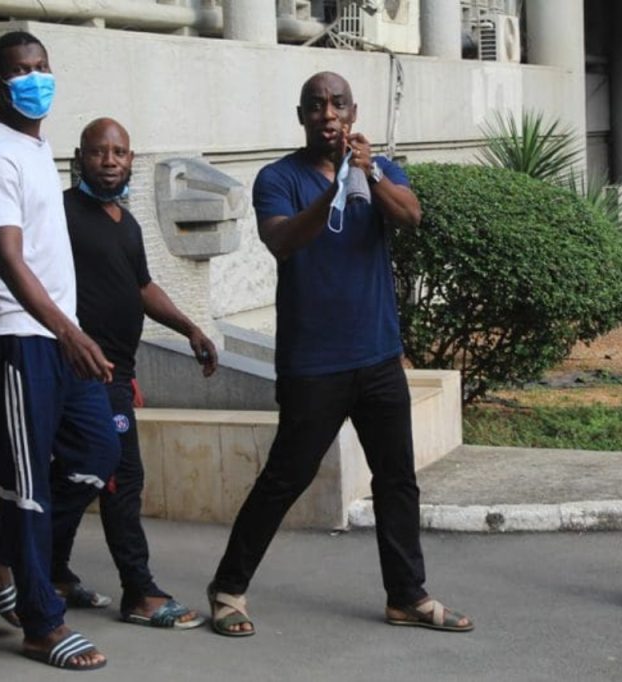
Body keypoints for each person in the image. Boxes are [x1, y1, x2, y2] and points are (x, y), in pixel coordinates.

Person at [206, 72, 472, 637]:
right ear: (301, 115)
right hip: (313, 364)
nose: (328, 114)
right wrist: (334, 188)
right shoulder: (278, 178)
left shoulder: (378, 169)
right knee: (286, 477)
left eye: (338, 104)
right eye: (316, 106)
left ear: (353, 111)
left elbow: (412, 215)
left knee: (397, 480)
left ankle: (406, 595)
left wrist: (369, 172)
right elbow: (280, 241)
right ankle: (228, 587)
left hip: (377, 357)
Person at [0, 117, 218, 629]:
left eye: (119, 152)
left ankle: (40, 565)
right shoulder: (61, 212)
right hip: (73, 362)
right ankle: (140, 592)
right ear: (79, 158)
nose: (109, 161)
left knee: (85, 467)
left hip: (114, 370)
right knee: (119, 476)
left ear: (131, 159)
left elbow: (142, 287)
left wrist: (190, 327)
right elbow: (10, 254)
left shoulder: (126, 223)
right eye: (98, 152)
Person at [0, 31, 118, 670]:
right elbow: (7, 258)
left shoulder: (34, 147)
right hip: (17, 338)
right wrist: (70, 331)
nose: (34, 78)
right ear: (0, 81)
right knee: (25, 485)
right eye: (20, 70)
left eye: (41, 66)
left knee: (93, 451)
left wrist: (68, 330)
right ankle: (40, 624)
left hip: (54, 334)